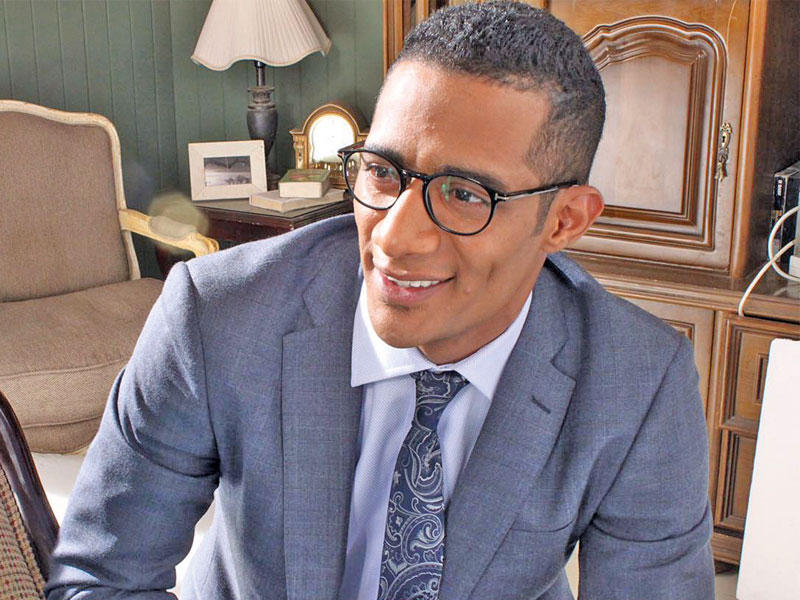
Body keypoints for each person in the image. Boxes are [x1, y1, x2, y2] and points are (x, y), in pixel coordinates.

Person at [46, 2, 714, 599]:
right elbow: (101, 579)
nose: (393, 237)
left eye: (465, 194)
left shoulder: (638, 381)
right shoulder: (219, 315)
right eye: (383, 171)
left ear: (564, 221)